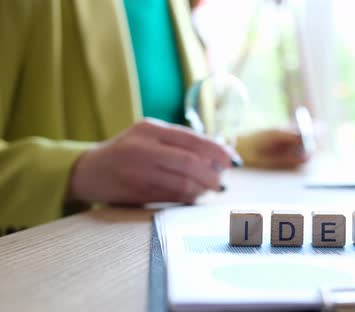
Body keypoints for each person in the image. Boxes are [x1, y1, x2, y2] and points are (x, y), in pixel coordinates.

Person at [0, 0, 308, 235]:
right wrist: (76, 171)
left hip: (166, 245)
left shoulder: (177, 7)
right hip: (60, 264)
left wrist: (241, 150)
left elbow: (164, 124)